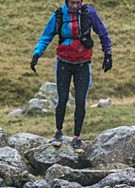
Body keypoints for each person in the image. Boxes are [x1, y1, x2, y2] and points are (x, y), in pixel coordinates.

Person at [30, 0, 112, 153]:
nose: (75, 6)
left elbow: (102, 32)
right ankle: (58, 132)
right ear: (66, 2)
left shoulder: (89, 13)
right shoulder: (59, 15)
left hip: (83, 64)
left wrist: (108, 54)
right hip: (63, 63)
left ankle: (76, 138)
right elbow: (46, 36)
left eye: (78, 2)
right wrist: (37, 54)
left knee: (81, 101)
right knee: (62, 100)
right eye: (72, 3)